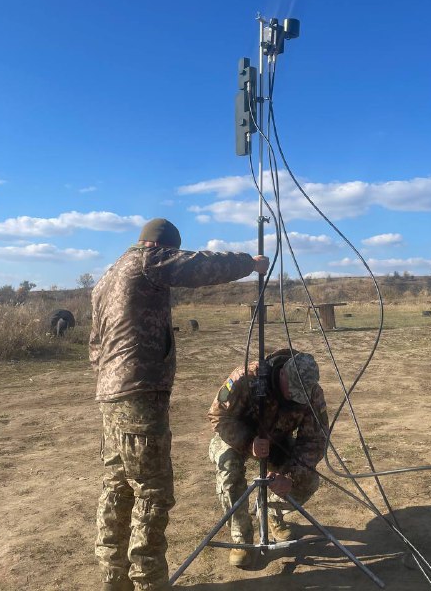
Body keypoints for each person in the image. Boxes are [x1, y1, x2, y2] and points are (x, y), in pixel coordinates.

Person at [90, 218, 269, 591]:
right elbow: (198, 266)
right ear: (159, 247)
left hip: (111, 396)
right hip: (140, 397)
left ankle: (113, 577)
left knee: (117, 486)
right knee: (151, 491)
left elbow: (96, 345)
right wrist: (249, 264)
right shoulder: (147, 261)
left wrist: (112, 380)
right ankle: (148, 582)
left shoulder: (106, 278)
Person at [207, 348, 328, 567]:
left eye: (300, 394)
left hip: (277, 442)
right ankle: (241, 538)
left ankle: (270, 512)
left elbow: (315, 441)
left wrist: (289, 477)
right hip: (236, 438)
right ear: (282, 373)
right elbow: (218, 415)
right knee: (228, 470)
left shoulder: (311, 393)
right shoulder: (247, 377)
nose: (294, 397)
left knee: (308, 480)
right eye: (292, 390)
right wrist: (248, 442)